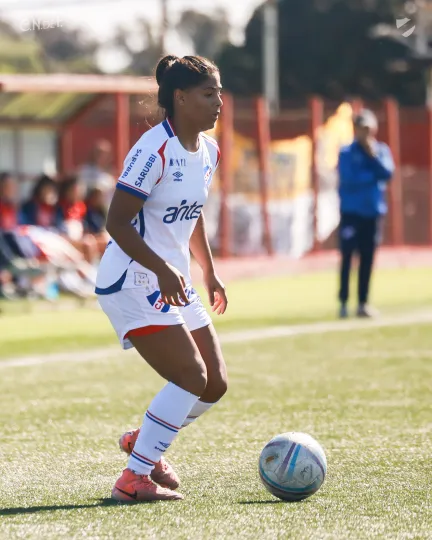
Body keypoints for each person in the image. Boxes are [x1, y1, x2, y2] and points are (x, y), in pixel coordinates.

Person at [96, 55, 227, 502]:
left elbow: (193, 211)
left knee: (214, 383)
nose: (218, 102)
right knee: (191, 375)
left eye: (219, 93)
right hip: (133, 281)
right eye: (209, 94)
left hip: (172, 280)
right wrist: (162, 269)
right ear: (181, 98)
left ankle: (146, 443)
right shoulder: (153, 150)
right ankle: (133, 479)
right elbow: (116, 222)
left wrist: (208, 269)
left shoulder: (209, 151)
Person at [337, 109, 395, 318]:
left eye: (369, 129)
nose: (366, 133)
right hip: (351, 213)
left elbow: (387, 173)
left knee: (367, 258)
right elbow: (349, 178)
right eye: (362, 129)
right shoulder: (346, 152)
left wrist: (373, 158)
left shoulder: (381, 150)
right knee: (347, 257)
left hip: (372, 213)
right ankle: (343, 302)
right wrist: (372, 176)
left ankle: (363, 302)